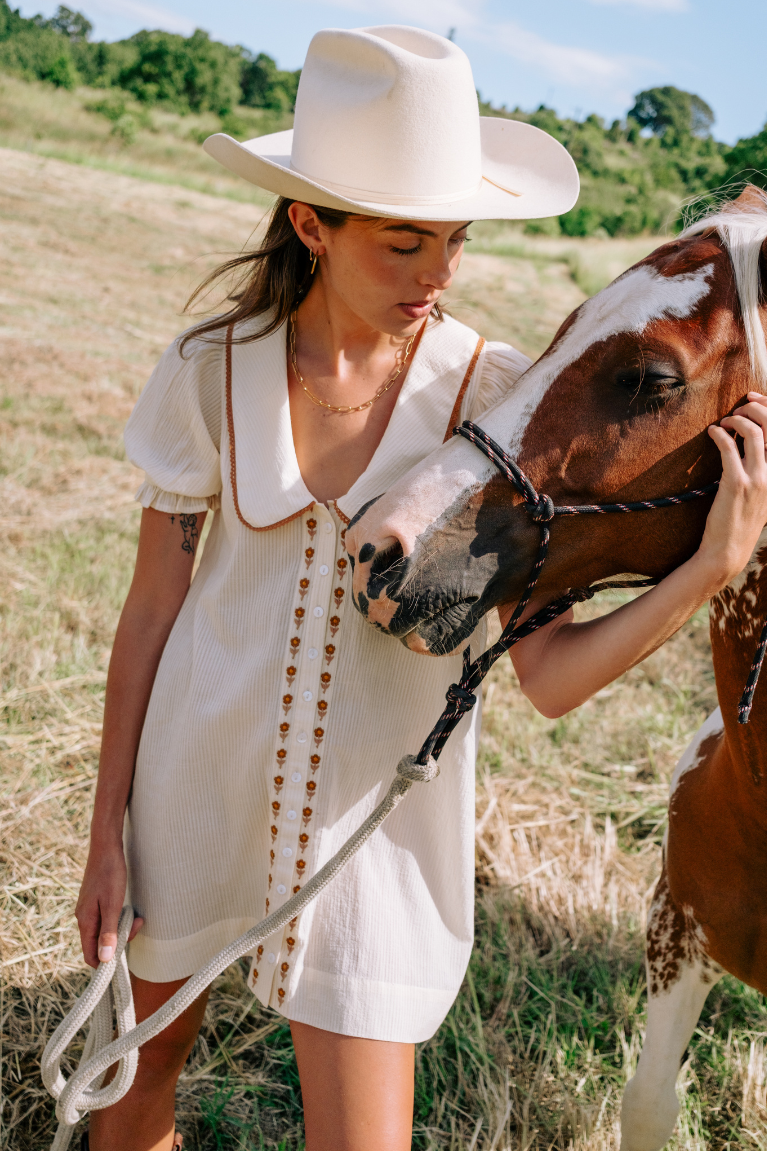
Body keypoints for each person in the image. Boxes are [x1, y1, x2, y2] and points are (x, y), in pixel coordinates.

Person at [74, 24, 580, 1151]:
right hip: (191, 792)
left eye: (453, 241)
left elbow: (547, 668)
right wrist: (107, 829)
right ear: (311, 224)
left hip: (372, 841)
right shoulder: (210, 367)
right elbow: (152, 609)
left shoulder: (489, 397)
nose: (438, 273)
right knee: (132, 1093)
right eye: (403, 243)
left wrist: (711, 565)